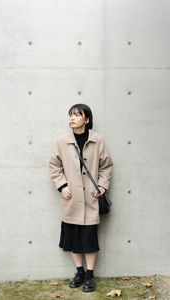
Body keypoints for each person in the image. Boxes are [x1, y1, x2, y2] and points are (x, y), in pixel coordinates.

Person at [49, 103, 113, 292]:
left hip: (91, 198)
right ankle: (80, 272)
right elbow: (54, 166)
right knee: (73, 238)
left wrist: (102, 185)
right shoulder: (62, 141)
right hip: (71, 198)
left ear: (86, 119)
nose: (72, 118)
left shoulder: (97, 140)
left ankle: (90, 276)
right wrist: (62, 185)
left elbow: (106, 166)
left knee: (89, 238)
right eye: (70, 115)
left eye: (77, 115)